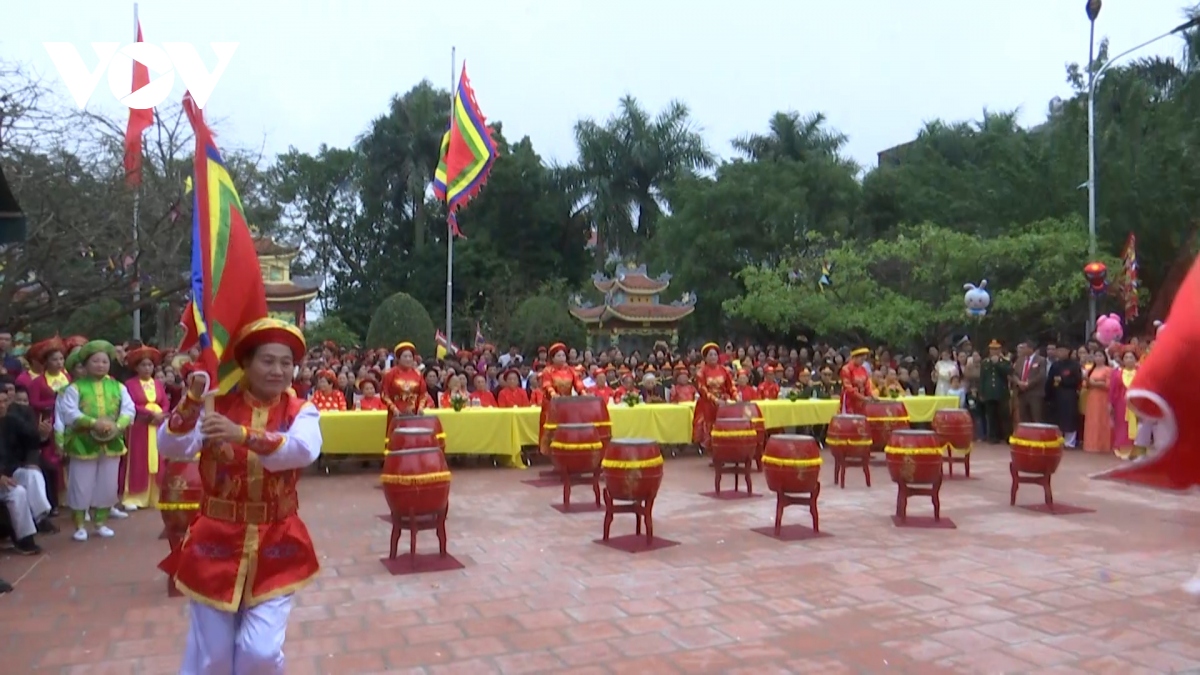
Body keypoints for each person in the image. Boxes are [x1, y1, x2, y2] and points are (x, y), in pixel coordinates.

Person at [157, 318, 320, 674]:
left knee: (259, 652)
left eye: (286, 362)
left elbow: (302, 450)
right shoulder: (217, 408)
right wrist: (193, 399)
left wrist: (242, 435)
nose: (278, 370)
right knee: (213, 656)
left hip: (277, 540)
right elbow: (172, 445)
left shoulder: (300, 411)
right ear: (245, 363)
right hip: (215, 541)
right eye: (268, 360)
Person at [55, 340, 135, 542]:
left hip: (112, 441)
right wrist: (92, 423)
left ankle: (101, 522)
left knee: (107, 484)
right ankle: (80, 525)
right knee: (81, 484)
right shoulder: (75, 388)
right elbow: (69, 413)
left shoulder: (118, 386)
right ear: (86, 364)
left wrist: (119, 425)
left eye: (104, 361)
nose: (100, 365)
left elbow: (129, 409)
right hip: (83, 442)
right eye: (96, 361)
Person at [1, 388, 53, 551]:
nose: (2, 406)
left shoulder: (11, 421)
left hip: (12, 472)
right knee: (17, 492)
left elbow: (32, 440)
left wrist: (43, 435)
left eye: (4, 402)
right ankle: (25, 539)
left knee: (32, 474)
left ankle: (40, 516)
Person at [26, 336, 71, 513]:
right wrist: (54, 404)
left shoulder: (67, 377)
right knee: (52, 459)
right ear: (46, 362)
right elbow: (33, 402)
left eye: (61, 358)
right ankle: (54, 498)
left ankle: (70, 496)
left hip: (67, 422)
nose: (59, 362)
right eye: (54, 359)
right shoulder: (38, 382)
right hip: (48, 423)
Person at [122, 345, 167, 510]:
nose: (147, 368)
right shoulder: (129, 384)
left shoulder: (157, 383)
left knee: (158, 459)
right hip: (140, 425)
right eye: (143, 365)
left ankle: (156, 495)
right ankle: (135, 497)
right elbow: (131, 404)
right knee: (139, 458)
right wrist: (149, 413)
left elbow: (164, 401)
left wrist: (162, 414)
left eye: (150, 365)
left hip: (157, 425)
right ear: (136, 367)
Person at [538, 343, 585, 453]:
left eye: (563, 355)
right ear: (553, 358)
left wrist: (583, 393)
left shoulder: (571, 370)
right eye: (558, 356)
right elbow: (547, 385)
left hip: (566, 404)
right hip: (551, 404)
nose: (561, 358)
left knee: (566, 427)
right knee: (551, 429)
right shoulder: (547, 371)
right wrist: (554, 395)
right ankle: (549, 451)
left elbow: (578, 384)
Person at [692, 342, 736, 449]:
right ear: (706, 358)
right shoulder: (701, 372)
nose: (713, 357)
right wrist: (715, 400)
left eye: (715, 354)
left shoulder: (724, 370)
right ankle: (712, 451)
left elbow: (731, 386)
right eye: (710, 355)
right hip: (707, 404)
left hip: (723, 401)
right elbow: (703, 389)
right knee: (709, 428)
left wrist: (736, 396)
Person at [381, 342, 427, 425]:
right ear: (398, 358)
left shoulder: (418, 374)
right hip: (396, 414)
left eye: (410, 357)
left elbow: (423, 394)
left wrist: (420, 407)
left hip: (414, 414)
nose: (408, 359)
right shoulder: (390, 374)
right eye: (405, 356)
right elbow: (384, 394)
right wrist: (393, 408)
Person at [1046, 345, 1082, 448]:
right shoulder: (1055, 365)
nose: (1061, 353)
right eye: (1059, 350)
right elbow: (1049, 380)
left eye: (1063, 350)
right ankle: (1058, 440)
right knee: (1057, 418)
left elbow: (1077, 380)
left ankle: (1070, 442)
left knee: (1069, 418)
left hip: (1069, 394)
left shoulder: (1074, 365)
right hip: (1056, 395)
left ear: (1068, 351)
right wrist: (1048, 394)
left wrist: (1063, 381)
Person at [1107, 346, 1140, 459]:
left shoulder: (1140, 372)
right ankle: (1122, 448)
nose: (1129, 360)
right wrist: (1110, 403)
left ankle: (1135, 449)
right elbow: (1112, 389)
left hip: (1137, 404)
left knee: (1136, 425)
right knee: (1122, 426)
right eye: (1126, 357)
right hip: (1121, 404)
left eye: (1131, 357)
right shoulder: (1117, 373)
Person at [978, 340, 1012, 443]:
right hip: (989, 392)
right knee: (991, 416)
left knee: (1004, 415)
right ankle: (993, 437)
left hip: (1001, 392)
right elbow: (982, 378)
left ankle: (1007, 436)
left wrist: (997, 363)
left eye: (996, 349)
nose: (994, 351)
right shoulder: (985, 362)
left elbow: (1008, 372)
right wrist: (981, 392)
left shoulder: (1005, 362)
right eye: (992, 349)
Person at [1081, 348, 1112, 454]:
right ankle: (1091, 444)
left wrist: (1095, 383)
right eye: (1096, 356)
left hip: (1103, 397)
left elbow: (1109, 385)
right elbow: (1086, 385)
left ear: (1105, 358)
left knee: (1102, 420)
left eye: (1100, 356)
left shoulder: (1108, 370)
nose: (1098, 358)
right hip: (1092, 397)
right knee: (1092, 420)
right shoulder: (1091, 370)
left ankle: (1102, 445)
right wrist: (1087, 380)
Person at [1012, 340, 1047, 424]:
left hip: (1035, 394)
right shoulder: (1020, 360)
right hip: (1022, 394)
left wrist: (1028, 383)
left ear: (1030, 349)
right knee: (1023, 418)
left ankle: (1037, 436)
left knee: (1036, 418)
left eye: (1024, 348)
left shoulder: (1041, 360)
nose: (1022, 350)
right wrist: (1019, 382)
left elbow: (1041, 375)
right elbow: (1013, 373)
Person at [839, 348, 874, 415]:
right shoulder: (846, 369)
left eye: (864, 360)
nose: (862, 362)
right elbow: (848, 388)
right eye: (861, 359)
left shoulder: (863, 369)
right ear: (854, 357)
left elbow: (867, 385)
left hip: (861, 400)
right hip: (849, 400)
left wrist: (871, 396)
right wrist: (862, 397)